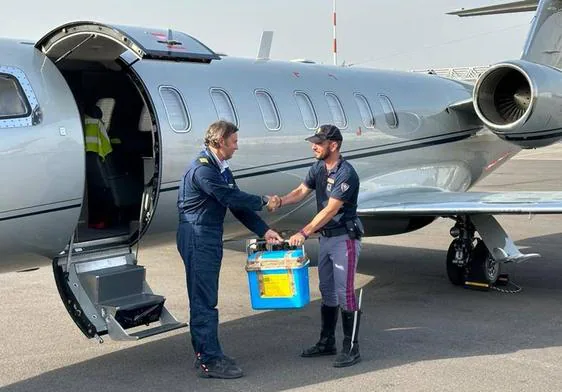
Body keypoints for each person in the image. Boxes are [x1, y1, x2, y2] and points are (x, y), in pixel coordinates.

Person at [177, 120, 283, 379]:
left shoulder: (220, 168)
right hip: (197, 235)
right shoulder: (204, 171)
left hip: (208, 234)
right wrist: (264, 201)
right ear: (219, 142)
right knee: (204, 300)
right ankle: (209, 361)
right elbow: (231, 198)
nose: (237, 146)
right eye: (233, 141)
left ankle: (207, 352)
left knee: (206, 297)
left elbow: (236, 205)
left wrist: (264, 231)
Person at [276, 124, 364, 367]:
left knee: (345, 293)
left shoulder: (347, 173)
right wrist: (280, 201)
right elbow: (301, 191)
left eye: (319, 142)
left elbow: (330, 210)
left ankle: (351, 348)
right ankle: (327, 342)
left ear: (333, 145)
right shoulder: (318, 167)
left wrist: (303, 232)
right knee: (326, 291)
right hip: (325, 238)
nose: (313, 146)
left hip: (343, 239)